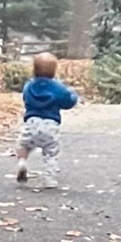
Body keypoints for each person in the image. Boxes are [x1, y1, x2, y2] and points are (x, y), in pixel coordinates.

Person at [17, 53, 78, 188]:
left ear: (34, 69)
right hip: (50, 125)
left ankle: (22, 163)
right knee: (51, 152)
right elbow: (68, 101)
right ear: (54, 71)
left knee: (23, 145)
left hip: (31, 123)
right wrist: (74, 96)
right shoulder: (58, 88)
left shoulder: (29, 86)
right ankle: (49, 178)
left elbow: (25, 98)